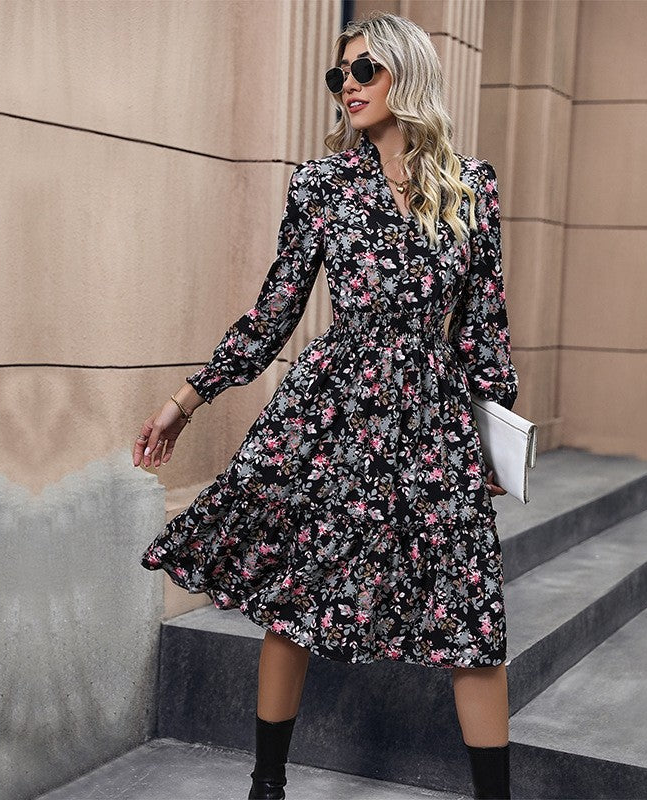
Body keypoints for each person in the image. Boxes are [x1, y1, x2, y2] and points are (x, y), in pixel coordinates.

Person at [134, 11, 517, 800]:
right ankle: (267, 784)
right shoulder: (322, 185)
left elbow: (485, 329)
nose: (348, 85)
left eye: (365, 69)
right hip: (335, 412)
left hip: (433, 420)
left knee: (471, 613)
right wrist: (187, 399)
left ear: (408, 73)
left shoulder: (471, 187)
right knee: (297, 595)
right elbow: (274, 310)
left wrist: (495, 435)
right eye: (339, 74)